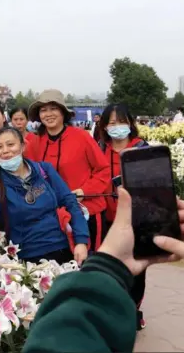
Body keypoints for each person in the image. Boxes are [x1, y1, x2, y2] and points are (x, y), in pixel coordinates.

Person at [23, 50, 184, 353]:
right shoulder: (40, 143)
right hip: (61, 213)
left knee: (128, 263)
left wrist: (101, 265)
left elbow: (58, 343)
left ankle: (130, 308)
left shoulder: (87, 140)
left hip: (95, 209)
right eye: (43, 110)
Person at [0, 127, 89, 264]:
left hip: (62, 247)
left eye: (11, 144)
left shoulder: (45, 170)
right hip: (28, 256)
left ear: (23, 146)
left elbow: (70, 202)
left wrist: (81, 241)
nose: (5, 150)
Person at [28, 89, 111, 253]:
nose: (48, 114)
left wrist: (85, 190)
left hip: (87, 211)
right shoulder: (35, 142)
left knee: (89, 264)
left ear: (63, 113)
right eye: (43, 110)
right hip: (54, 217)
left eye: (53, 108)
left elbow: (103, 170)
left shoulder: (82, 137)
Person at [97, 103, 149, 329]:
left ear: (130, 123)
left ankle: (133, 311)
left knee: (137, 269)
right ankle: (114, 311)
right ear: (104, 126)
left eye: (121, 121)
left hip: (136, 221)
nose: (117, 126)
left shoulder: (142, 149)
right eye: (111, 122)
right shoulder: (99, 150)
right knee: (110, 269)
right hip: (107, 219)